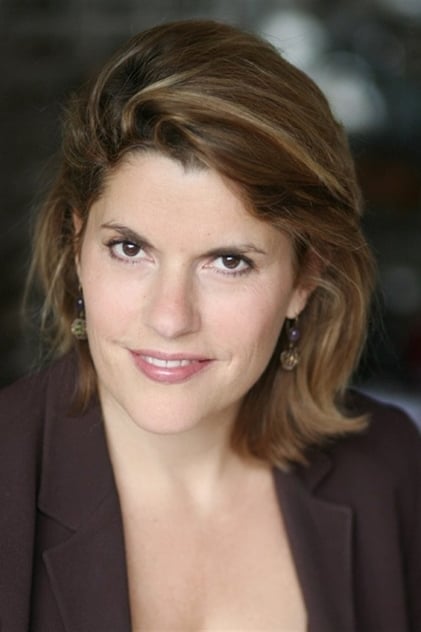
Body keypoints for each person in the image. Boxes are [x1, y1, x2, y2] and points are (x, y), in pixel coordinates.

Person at [0, 19, 419, 632]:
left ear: (305, 277)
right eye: (130, 249)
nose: (170, 318)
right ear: (76, 245)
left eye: (228, 262)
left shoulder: (391, 470)